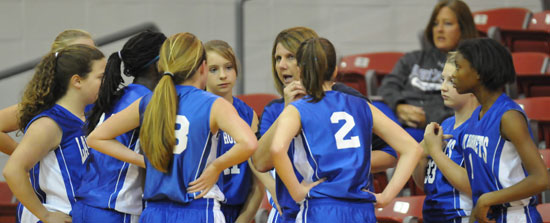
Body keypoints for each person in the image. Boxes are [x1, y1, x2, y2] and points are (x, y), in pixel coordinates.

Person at [87, 32, 258, 222]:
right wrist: (216, 167)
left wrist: (143, 160)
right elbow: (249, 143)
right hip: (199, 209)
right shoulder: (213, 104)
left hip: (153, 213)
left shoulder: (149, 101)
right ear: (203, 67)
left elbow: (95, 138)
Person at [252, 26, 397, 223]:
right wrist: (288, 108)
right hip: (292, 211)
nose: (282, 65)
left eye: (290, 57)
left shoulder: (348, 99)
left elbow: (391, 153)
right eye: (278, 59)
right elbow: (260, 162)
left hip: (338, 205)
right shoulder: (275, 109)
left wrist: (339, 165)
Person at [424, 38, 550, 223]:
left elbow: (541, 179)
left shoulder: (509, 116)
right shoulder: (475, 116)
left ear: (478, 74)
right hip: (487, 215)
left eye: (459, 68)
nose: (455, 76)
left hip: (515, 215)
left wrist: (487, 199)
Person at [2, 44, 105, 223]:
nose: (105, 83)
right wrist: (45, 215)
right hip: (58, 213)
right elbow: (12, 170)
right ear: (77, 81)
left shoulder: (89, 115)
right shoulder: (49, 123)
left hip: (81, 214)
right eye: (100, 77)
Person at [72, 31, 166, 223]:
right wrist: (148, 162)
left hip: (85, 206)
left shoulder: (119, 95)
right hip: (114, 208)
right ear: (159, 64)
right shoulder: (147, 102)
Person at [377, 0, 478, 141]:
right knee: (374, 108)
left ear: (463, 28)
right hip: (399, 120)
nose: (439, 29)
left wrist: (428, 118)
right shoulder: (412, 59)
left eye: (447, 23)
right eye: (436, 23)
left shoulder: (471, 65)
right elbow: (387, 87)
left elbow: (470, 109)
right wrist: (399, 106)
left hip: (433, 129)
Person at [0, 29, 96, 155]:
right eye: (83, 53)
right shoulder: (46, 102)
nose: (93, 58)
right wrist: (24, 159)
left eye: (94, 52)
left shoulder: (97, 96)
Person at [204, 39, 264, 223]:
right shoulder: (197, 111)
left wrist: (243, 219)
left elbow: (258, 182)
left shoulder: (248, 114)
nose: (223, 75)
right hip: (203, 210)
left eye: (228, 67)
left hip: (239, 213)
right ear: (201, 71)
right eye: (214, 69)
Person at [412, 52, 475, 223]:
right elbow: (425, 185)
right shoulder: (445, 124)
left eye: (452, 81)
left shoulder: (479, 127)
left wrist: (435, 152)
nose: (443, 87)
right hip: (433, 216)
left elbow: (475, 185)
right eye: (443, 79)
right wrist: (421, 155)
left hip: (463, 217)